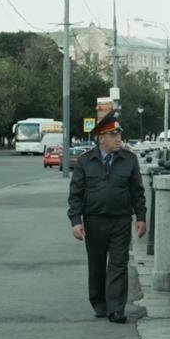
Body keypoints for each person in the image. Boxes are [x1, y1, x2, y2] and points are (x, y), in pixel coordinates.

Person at [68, 111, 147, 324]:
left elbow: (137, 192)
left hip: (121, 220)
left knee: (119, 264)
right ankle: (99, 302)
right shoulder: (86, 161)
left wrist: (141, 217)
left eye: (119, 134)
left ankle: (116, 309)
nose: (118, 139)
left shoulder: (129, 160)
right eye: (113, 135)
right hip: (94, 221)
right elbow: (75, 194)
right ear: (101, 137)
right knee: (97, 264)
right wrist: (76, 221)